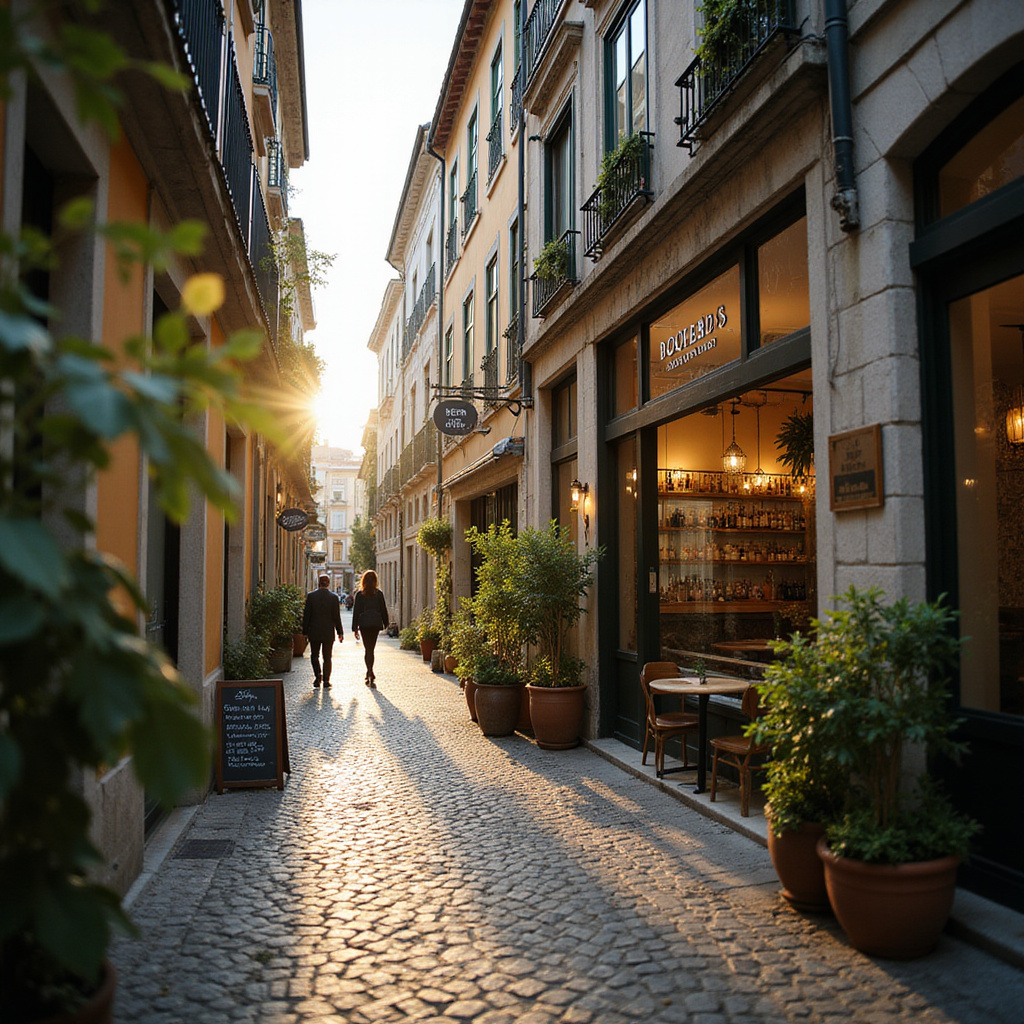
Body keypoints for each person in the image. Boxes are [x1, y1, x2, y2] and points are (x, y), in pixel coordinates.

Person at [302, 573, 343, 688]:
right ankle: (326, 680)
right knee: (327, 657)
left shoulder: (311, 596)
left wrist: (304, 631)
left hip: (314, 631)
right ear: (328, 584)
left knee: (314, 655)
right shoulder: (333, 597)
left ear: (318, 583)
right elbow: (336, 617)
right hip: (328, 632)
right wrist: (340, 632)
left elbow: (307, 615)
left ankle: (317, 677)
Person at [351, 569, 388, 688]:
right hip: (375, 624)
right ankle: (370, 672)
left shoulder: (360, 595)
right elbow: (383, 609)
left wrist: (355, 628)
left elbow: (356, 612)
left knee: (368, 649)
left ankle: (369, 671)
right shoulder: (378, 593)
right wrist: (386, 623)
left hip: (364, 624)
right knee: (371, 648)